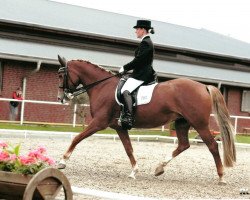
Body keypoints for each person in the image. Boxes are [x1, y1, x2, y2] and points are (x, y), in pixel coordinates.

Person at [119, 19, 157, 130]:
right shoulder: (145, 42)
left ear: (142, 30)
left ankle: (128, 118)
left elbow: (139, 61)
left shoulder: (146, 43)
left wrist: (124, 68)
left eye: (137, 29)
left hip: (142, 74)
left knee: (125, 91)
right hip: (140, 72)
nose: (135, 31)